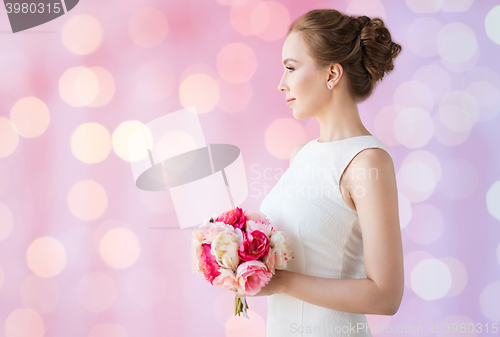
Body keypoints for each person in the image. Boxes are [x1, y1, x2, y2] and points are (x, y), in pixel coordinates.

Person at [234, 8, 404, 336]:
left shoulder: (367, 161)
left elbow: (386, 295)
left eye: (291, 68)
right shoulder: (301, 154)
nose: (282, 84)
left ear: (332, 74)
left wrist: (279, 282)